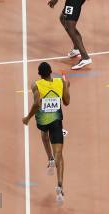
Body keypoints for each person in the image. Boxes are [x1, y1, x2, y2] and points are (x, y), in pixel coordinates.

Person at [22, 62, 70, 205]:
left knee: (44, 135)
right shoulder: (60, 82)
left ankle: (49, 159)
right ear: (51, 72)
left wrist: (28, 118)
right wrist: (66, 87)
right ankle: (60, 186)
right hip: (56, 122)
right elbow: (66, 102)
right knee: (59, 156)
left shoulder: (36, 85)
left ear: (40, 74)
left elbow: (37, 104)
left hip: (43, 120)